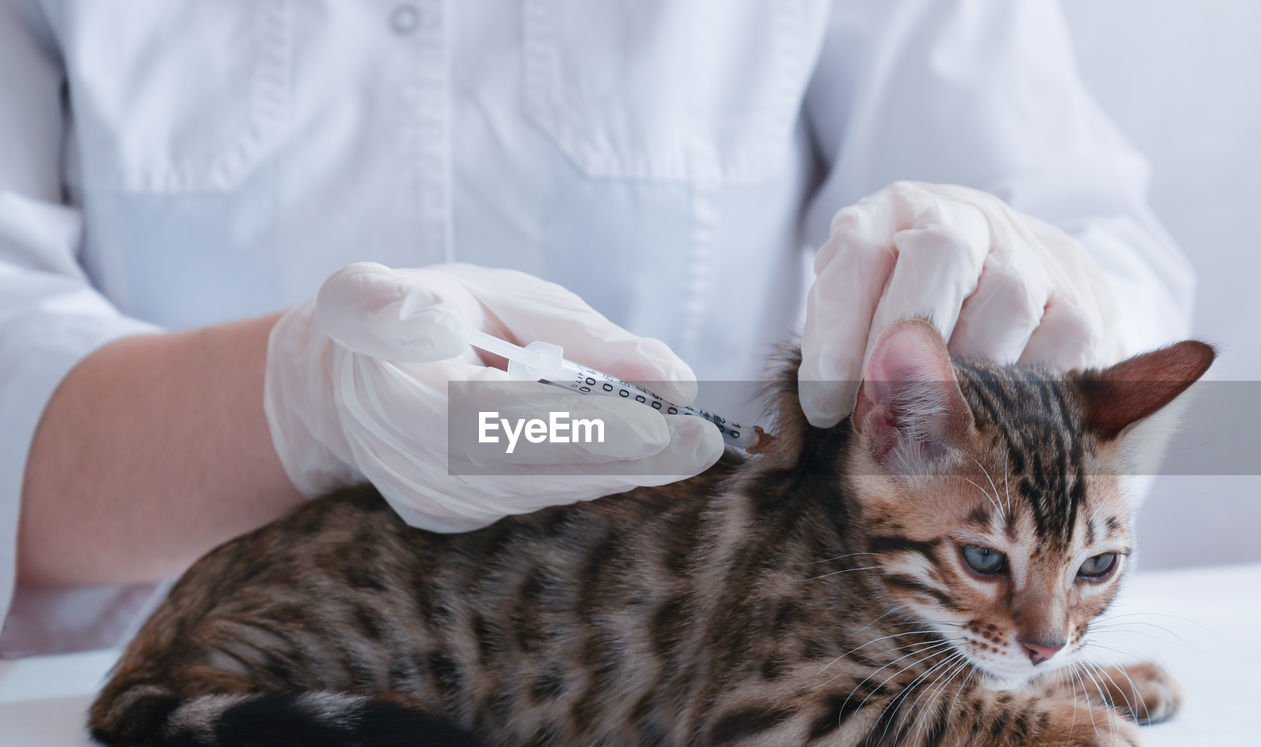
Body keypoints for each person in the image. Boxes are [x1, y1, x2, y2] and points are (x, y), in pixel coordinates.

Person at [0, 0, 1192, 656]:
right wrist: (304, 407)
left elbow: (1108, 251)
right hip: (138, 716)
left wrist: (1052, 316)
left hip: (679, 711)